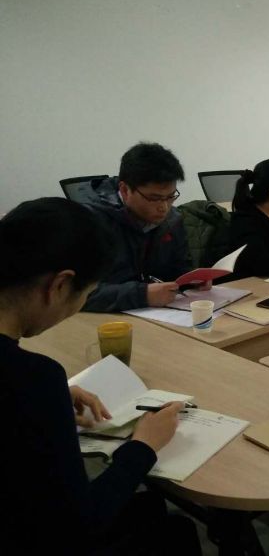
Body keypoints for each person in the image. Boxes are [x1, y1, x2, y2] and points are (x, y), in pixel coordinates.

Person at [0, 198, 200, 555]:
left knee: (148, 509)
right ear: (60, 285)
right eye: (88, 294)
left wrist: (51, 400)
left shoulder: (33, 383)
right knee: (175, 530)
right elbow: (80, 524)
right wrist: (143, 446)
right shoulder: (34, 379)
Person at [83, 142, 199, 312]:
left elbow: (179, 269)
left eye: (170, 197)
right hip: (103, 320)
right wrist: (142, 295)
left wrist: (191, 280)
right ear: (125, 190)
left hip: (159, 315)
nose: (164, 207)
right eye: (154, 198)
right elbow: (76, 295)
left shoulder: (172, 220)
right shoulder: (90, 222)